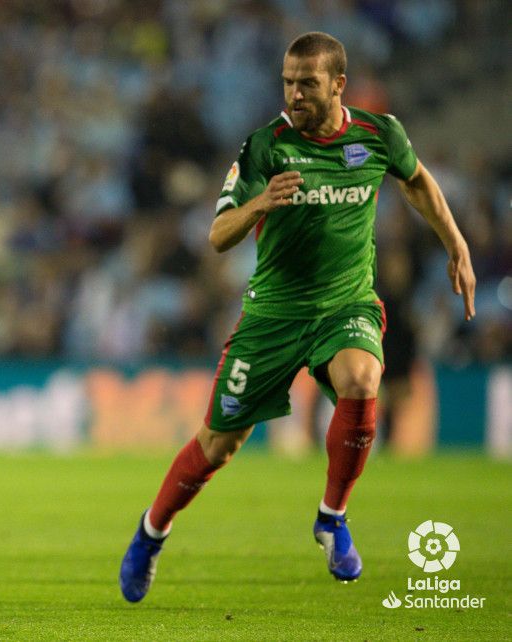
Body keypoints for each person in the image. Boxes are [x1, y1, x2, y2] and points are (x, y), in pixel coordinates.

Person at [119, 31, 476, 601]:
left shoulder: (379, 135)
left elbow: (417, 182)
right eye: (287, 82)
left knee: (362, 378)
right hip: (273, 317)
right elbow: (216, 236)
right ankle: (151, 530)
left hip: (346, 304)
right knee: (219, 445)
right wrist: (259, 203)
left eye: (306, 84)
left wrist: (455, 244)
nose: (294, 94)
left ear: (338, 84)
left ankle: (332, 517)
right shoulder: (264, 147)